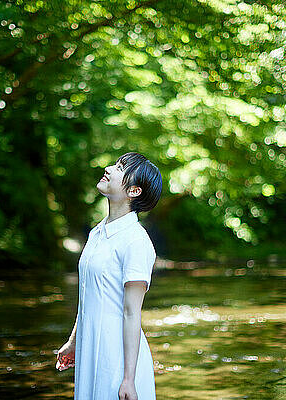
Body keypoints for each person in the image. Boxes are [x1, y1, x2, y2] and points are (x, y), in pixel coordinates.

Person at [56, 152, 163, 400]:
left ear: (134, 191)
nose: (109, 168)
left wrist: (128, 378)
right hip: (91, 347)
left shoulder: (136, 241)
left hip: (115, 356)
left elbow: (131, 312)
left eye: (119, 168)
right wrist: (74, 342)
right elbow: (88, 296)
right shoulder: (97, 232)